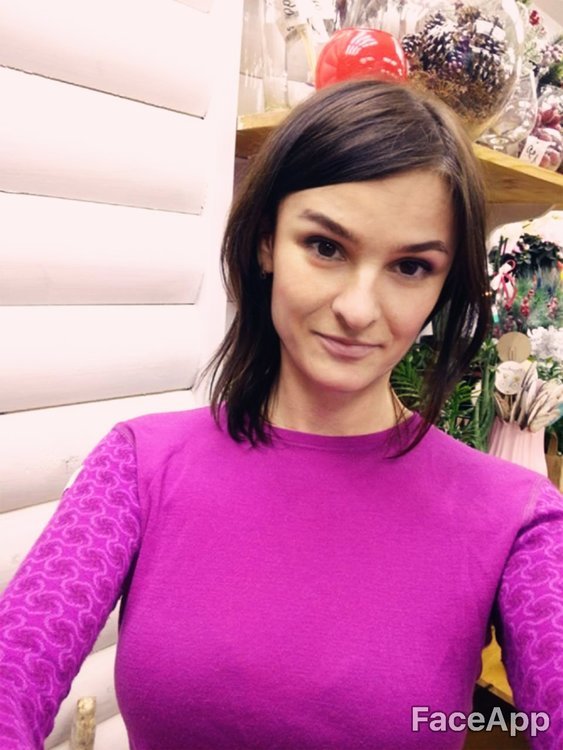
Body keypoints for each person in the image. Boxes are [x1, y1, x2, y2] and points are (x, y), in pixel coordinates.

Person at [0, 79, 562, 750]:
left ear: (444, 285)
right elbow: (12, 673)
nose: (357, 308)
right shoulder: (138, 467)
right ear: (266, 241)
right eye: (325, 247)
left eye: (411, 266)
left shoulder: (516, 516)